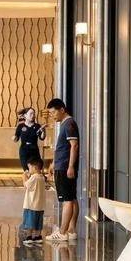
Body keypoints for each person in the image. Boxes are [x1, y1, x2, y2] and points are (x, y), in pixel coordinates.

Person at [45, 98, 79, 242]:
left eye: (53, 112)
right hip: (61, 165)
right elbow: (62, 148)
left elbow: (74, 146)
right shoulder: (66, 124)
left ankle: (63, 232)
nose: (52, 116)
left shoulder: (69, 124)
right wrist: (53, 163)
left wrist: (70, 166)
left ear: (62, 110)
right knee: (72, 198)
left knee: (67, 200)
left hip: (64, 167)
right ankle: (71, 230)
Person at [12, 107, 47, 173]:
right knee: (26, 170)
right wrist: (14, 138)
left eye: (34, 114)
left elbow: (42, 138)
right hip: (24, 150)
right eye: (31, 114)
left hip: (34, 150)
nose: (33, 115)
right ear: (25, 115)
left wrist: (43, 131)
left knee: (35, 169)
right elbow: (16, 138)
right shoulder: (21, 126)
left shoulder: (37, 126)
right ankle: (27, 179)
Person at [21, 157, 46, 245]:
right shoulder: (42, 177)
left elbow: (26, 185)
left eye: (29, 167)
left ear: (35, 167)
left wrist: (24, 177)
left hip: (31, 205)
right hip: (40, 206)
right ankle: (38, 236)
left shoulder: (34, 177)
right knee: (38, 222)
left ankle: (29, 236)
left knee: (30, 222)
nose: (29, 170)